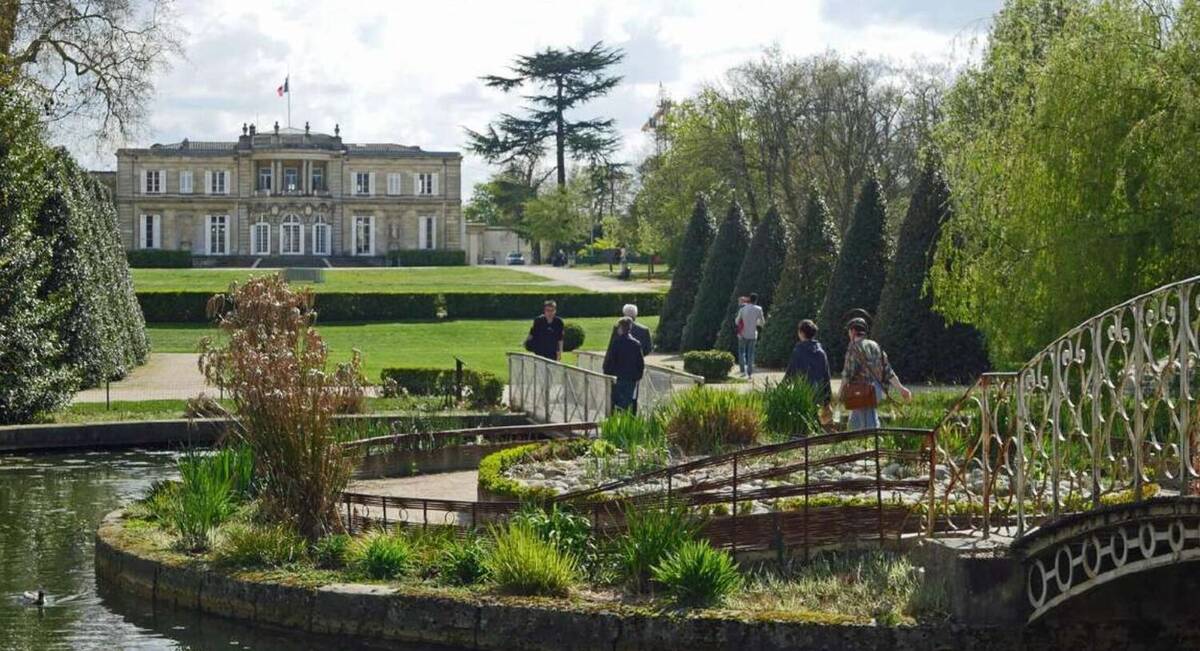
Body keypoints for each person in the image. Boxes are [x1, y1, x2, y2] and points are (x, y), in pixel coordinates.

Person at [840, 317, 911, 430]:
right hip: (876, 390)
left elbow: (847, 374)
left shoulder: (853, 348)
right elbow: (888, 371)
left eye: (849, 331)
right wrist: (901, 388)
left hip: (860, 392)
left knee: (865, 426)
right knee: (858, 421)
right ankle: (866, 441)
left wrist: (841, 391)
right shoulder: (876, 346)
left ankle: (871, 443)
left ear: (853, 331)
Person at [784, 319, 833, 423]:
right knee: (816, 420)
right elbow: (826, 376)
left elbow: (790, 373)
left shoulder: (798, 351)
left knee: (802, 420)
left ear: (801, 333)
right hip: (818, 392)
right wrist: (828, 398)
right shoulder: (821, 352)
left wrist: (781, 389)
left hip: (802, 392)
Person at [603, 317, 646, 411]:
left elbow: (610, 360)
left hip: (617, 378)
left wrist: (607, 373)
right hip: (631, 378)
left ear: (621, 328)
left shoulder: (616, 342)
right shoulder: (636, 344)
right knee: (627, 403)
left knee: (615, 403)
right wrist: (638, 376)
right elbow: (640, 363)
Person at [735, 293, 765, 377]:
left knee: (742, 352)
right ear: (756, 300)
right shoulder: (759, 309)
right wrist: (756, 323)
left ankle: (742, 370)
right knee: (751, 353)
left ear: (749, 299)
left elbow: (737, 321)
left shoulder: (743, 309)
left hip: (742, 334)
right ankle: (749, 372)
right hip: (752, 334)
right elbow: (762, 323)